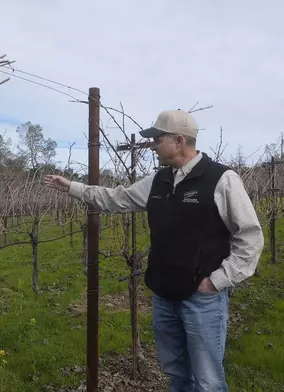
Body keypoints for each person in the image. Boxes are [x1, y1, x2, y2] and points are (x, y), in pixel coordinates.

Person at [44, 109, 264, 392]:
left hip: (202, 298)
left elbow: (250, 236)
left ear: (179, 141)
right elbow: (117, 198)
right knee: (175, 372)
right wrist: (72, 187)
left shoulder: (221, 180)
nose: (153, 146)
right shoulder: (158, 180)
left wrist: (218, 281)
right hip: (163, 295)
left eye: (158, 139)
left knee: (207, 379)